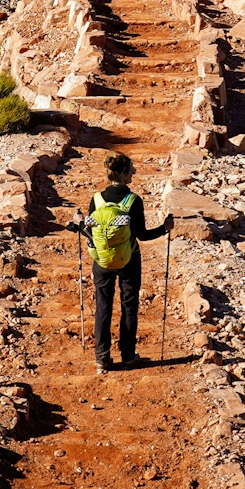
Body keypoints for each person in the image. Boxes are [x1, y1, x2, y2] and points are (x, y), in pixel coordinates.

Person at [75, 152, 173, 373]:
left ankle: (102, 359)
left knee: (103, 308)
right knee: (129, 307)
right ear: (122, 173)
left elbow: (90, 233)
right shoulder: (133, 201)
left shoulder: (97, 199)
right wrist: (164, 228)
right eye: (131, 170)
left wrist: (77, 225)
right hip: (129, 260)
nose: (134, 173)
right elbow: (142, 236)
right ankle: (128, 356)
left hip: (101, 261)